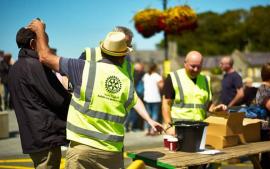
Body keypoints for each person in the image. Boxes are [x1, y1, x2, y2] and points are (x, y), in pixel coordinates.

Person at [28, 19, 163, 169]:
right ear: (123, 54)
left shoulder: (82, 67)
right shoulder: (123, 75)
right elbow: (133, 98)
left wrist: (40, 30)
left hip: (84, 148)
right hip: (112, 150)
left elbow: (45, 57)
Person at [8, 27, 71, 169]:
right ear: (33, 44)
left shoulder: (15, 68)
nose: (46, 47)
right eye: (43, 43)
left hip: (32, 136)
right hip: (46, 136)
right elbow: (58, 99)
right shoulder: (36, 66)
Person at [162, 51, 227, 135]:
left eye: (199, 67)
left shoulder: (206, 80)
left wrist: (216, 109)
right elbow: (166, 104)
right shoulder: (173, 78)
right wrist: (168, 126)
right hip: (179, 129)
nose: (196, 69)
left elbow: (208, 105)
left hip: (200, 128)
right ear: (185, 63)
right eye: (193, 66)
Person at [142, 63, 163, 135]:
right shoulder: (157, 76)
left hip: (147, 97)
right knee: (155, 114)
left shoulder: (145, 75)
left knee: (147, 114)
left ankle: (146, 129)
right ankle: (153, 130)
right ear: (155, 68)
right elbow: (161, 86)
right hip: (155, 98)